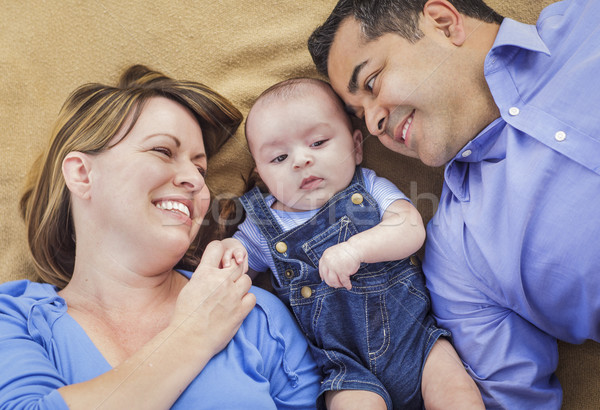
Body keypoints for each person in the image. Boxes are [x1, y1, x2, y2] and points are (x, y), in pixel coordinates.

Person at [307, 0, 600, 408]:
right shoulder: (457, 257)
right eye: (360, 117)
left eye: (372, 82)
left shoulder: (589, 20)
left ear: (444, 23)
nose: (372, 125)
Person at [0, 64, 321, 409]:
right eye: (163, 151)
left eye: (201, 169)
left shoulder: (254, 314)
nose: (196, 181)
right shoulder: (15, 317)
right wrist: (192, 335)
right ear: (82, 174)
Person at [222, 77, 483, 409]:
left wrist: (355, 249)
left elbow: (410, 228)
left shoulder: (370, 187)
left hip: (416, 341)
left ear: (356, 146)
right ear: (261, 174)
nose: (300, 160)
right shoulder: (262, 228)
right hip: (345, 368)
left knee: (457, 395)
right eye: (279, 158)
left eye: (318, 142)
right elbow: (235, 266)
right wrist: (225, 253)